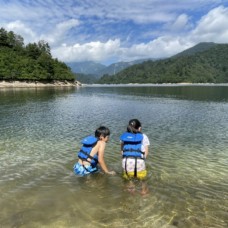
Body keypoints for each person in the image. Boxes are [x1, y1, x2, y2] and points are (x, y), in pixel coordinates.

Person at [120, 119, 150, 195]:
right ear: (139, 128)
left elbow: (122, 151)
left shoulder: (124, 137)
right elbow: (146, 153)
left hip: (126, 162)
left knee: (129, 180)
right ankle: (143, 193)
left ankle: (131, 194)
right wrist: (143, 161)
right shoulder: (143, 136)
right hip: (139, 161)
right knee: (143, 180)